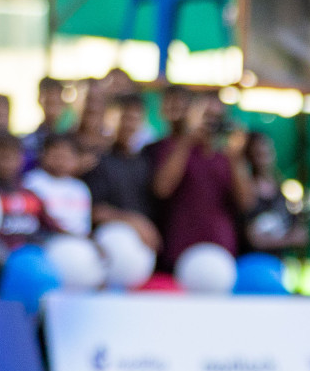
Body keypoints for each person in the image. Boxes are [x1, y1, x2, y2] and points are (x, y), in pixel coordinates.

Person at [150, 92, 255, 270]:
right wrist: (187, 140)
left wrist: (236, 158)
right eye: (206, 117)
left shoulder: (229, 156)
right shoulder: (170, 147)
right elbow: (162, 189)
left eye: (217, 118)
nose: (211, 123)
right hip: (180, 250)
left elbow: (247, 203)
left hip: (220, 251)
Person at [84, 94, 161, 252]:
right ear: (108, 119)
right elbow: (94, 211)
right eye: (125, 118)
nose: (130, 125)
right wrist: (133, 221)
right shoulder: (95, 161)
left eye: (136, 119)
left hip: (143, 252)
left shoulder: (145, 161)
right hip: (109, 247)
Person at [243, 132, 309, 255]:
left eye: (267, 153)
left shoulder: (284, 190)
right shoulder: (244, 193)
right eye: (258, 154)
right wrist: (288, 240)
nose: (264, 159)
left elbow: (301, 236)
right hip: (252, 262)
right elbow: (254, 239)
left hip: (277, 263)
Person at [23, 134, 92, 238]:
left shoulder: (80, 187)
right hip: (46, 239)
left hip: (79, 241)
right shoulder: (31, 182)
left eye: (66, 157)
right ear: (43, 154)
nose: (61, 161)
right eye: (56, 155)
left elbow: (84, 225)